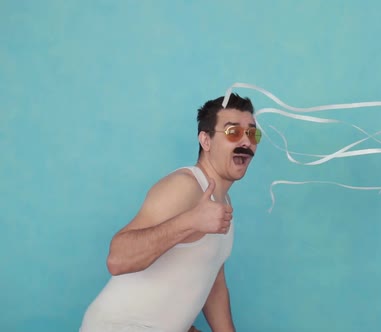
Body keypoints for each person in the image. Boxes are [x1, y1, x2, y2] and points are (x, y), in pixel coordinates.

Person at [80, 93, 261, 332]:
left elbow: (212, 280)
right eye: (233, 132)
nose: (246, 142)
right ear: (206, 141)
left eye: (252, 133)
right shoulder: (185, 186)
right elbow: (118, 259)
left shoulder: (221, 202)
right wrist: (191, 221)